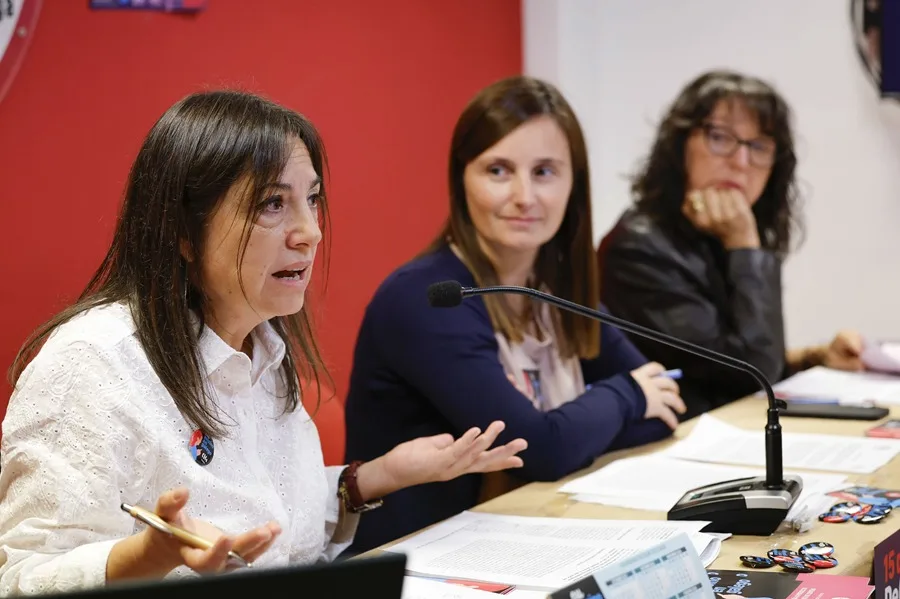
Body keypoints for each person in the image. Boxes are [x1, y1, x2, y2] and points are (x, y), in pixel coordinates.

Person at [0, 90, 528, 595]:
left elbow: (276, 534)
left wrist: (374, 478)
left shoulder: (264, 348)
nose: (310, 233)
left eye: (313, 199)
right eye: (273, 204)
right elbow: (23, 576)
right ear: (183, 231)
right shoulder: (90, 365)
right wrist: (149, 555)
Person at [342, 75, 687, 554]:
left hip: (527, 537)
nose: (525, 196)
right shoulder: (426, 298)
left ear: (574, 185)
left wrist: (582, 426)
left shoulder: (553, 293)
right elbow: (534, 450)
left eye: (545, 172)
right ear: (462, 180)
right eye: (499, 170)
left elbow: (665, 405)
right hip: (419, 560)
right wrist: (626, 395)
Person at [597, 70, 863, 418]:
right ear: (680, 147)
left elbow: (737, 358)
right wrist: (746, 246)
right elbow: (749, 373)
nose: (741, 162)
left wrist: (815, 357)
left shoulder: (720, 234)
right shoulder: (638, 246)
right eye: (721, 138)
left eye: (758, 146)